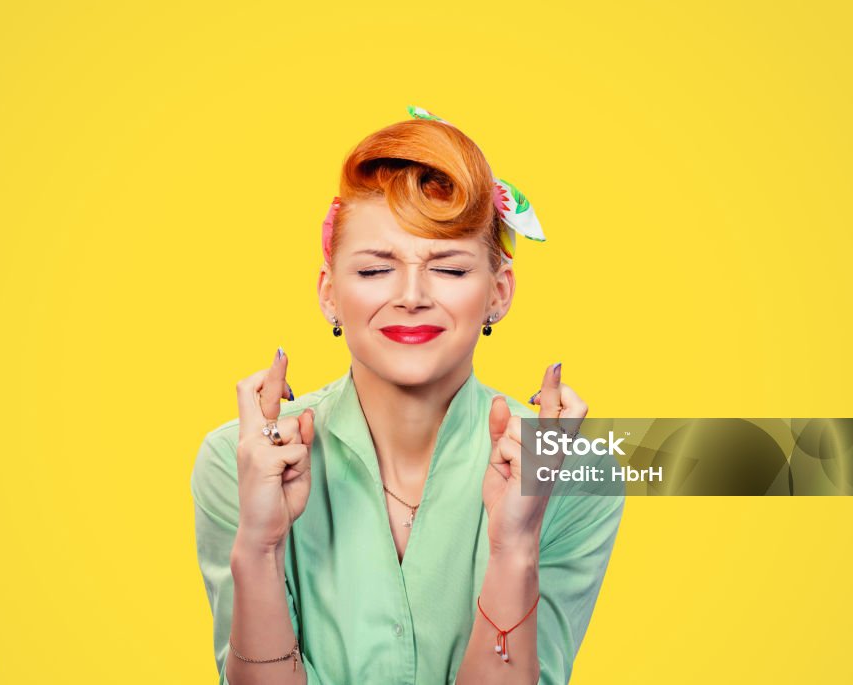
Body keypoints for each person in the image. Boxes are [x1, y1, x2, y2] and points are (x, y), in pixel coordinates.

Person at [190, 105, 625, 685]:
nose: (412, 296)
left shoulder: (572, 468)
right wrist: (260, 548)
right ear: (329, 295)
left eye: (448, 268)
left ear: (498, 292)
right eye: (374, 271)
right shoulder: (235, 462)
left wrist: (515, 544)